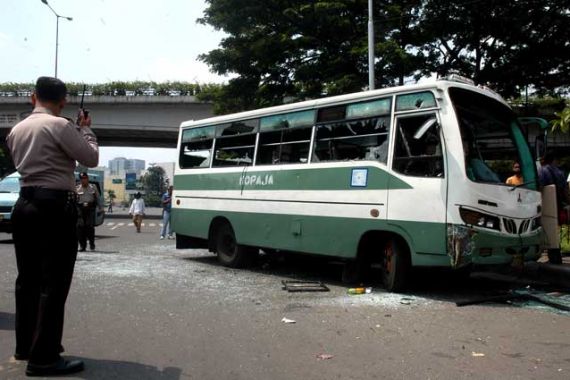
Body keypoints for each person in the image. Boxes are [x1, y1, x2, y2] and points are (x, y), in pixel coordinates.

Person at [6, 76, 98, 376]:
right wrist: (85, 129)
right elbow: (90, 157)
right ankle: (44, 358)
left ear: (33, 97)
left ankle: (25, 346)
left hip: (24, 206)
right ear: (64, 101)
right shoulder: (61, 126)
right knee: (54, 283)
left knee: (28, 280)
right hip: (53, 206)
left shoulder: (16, 129)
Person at [538, 152, 570, 264]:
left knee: (546, 232)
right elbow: (565, 190)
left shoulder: (541, 171)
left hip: (545, 204)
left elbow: (541, 188)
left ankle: (552, 256)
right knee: (554, 231)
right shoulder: (560, 172)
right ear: (553, 160)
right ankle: (556, 256)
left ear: (545, 160)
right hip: (557, 205)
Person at [76, 172, 102, 251]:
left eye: (85, 178)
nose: (84, 180)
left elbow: (97, 198)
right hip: (80, 209)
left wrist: (100, 208)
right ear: (80, 180)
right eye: (82, 179)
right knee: (80, 227)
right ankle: (82, 246)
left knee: (89, 226)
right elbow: (75, 200)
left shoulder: (93, 187)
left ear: (87, 179)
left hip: (90, 209)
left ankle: (91, 243)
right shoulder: (77, 188)